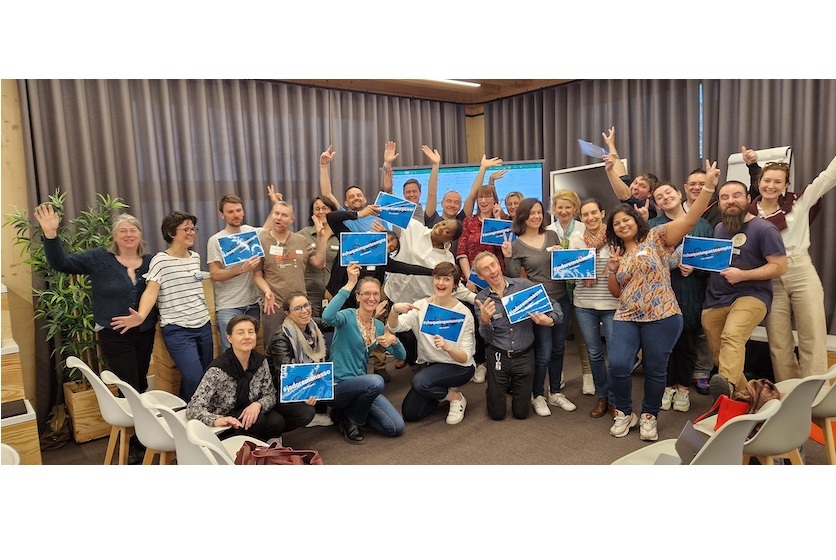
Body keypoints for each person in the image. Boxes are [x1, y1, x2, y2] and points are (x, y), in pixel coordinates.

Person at [604, 161, 716, 441]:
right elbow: (616, 292)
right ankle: (624, 412)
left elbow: (689, 221)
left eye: (626, 220)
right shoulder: (618, 254)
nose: (622, 225)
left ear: (636, 220)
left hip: (662, 315)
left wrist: (708, 188)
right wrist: (612, 270)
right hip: (627, 316)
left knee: (656, 369)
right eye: (617, 223)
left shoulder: (656, 237)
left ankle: (649, 416)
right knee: (618, 365)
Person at [35, 206, 157, 393]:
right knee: (129, 386)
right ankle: (131, 411)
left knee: (141, 381)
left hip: (145, 332)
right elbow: (62, 263)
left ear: (140, 234)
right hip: (114, 333)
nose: (128, 235)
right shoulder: (99, 258)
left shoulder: (151, 261)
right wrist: (50, 234)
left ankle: (136, 412)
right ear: (114, 236)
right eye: (123, 231)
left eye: (133, 230)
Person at [742, 147, 836, 382]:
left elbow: (828, 177)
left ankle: (814, 393)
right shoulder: (749, 213)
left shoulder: (799, 202)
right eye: (767, 181)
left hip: (800, 270)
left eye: (778, 182)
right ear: (759, 182)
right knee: (778, 341)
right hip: (769, 277)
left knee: (812, 334)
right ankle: (788, 392)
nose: (771, 186)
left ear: (786, 185)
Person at [111, 211, 213, 400]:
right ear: (171, 233)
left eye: (193, 229)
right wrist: (141, 315)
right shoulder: (160, 260)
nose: (191, 233)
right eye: (186, 229)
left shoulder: (195, 257)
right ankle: (193, 412)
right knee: (194, 377)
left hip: (203, 325)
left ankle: (186, 409)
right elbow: (151, 291)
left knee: (205, 376)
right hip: (178, 329)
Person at [701, 178, 788, 398]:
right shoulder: (719, 229)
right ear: (719, 203)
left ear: (748, 199)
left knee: (732, 336)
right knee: (722, 357)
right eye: (725, 197)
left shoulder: (764, 229)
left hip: (751, 296)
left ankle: (728, 390)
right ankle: (748, 399)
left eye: (736, 195)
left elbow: (779, 267)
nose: (730, 201)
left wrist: (743, 275)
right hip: (715, 299)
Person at [186, 315, 315, 442]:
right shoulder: (217, 369)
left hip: (250, 414)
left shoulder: (260, 361)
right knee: (257, 420)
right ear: (229, 338)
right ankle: (236, 448)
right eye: (240, 333)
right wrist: (217, 420)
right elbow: (193, 407)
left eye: (251, 332)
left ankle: (258, 444)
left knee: (276, 421)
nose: (247, 337)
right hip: (225, 422)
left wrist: (258, 404)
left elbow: (270, 394)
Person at [502, 198, 576, 416]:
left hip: (561, 298)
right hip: (539, 303)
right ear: (523, 216)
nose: (536, 216)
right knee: (543, 352)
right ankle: (538, 395)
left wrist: (561, 254)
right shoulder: (516, 244)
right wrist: (508, 257)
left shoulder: (552, 235)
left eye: (539, 212)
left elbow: (562, 267)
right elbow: (515, 278)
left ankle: (555, 392)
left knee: (559, 348)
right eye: (531, 213)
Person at [322, 264, 406, 444]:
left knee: (395, 427)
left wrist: (394, 341)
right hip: (338, 386)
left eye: (375, 294)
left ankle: (344, 415)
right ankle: (352, 420)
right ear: (358, 296)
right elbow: (327, 316)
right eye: (366, 293)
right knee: (376, 381)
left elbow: (401, 357)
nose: (371, 297)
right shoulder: (346, 316)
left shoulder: (378, 326)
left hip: (363, 387)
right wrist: (350, 283)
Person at [473, 251, 563, 421]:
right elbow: (486, 337)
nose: (492, 271)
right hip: (498, 355)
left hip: (524, 355)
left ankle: (511, 386)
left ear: (499, 265)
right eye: (485, 269)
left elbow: (554, 304)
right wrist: (485, 320)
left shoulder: (524, 285)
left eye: (493, 265)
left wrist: (550, 320)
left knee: (522, 413)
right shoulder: (482, 299)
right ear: (480, 276)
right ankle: (498, 387)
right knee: (497, 414)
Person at [648, 182, 713, 414]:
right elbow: (647, 261)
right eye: (659, 196)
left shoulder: (702, 225)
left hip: (691, 291)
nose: (665, 197)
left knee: (687, 343)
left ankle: (683, 388)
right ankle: (668, 386)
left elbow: (712, 259)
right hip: (661, 293)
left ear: (678, 193)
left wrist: (696, 268)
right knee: (664, 344)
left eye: (668, 192)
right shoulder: (652, 226)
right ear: (656, 204)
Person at [388, 262, 475, 424]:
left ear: (455, 284)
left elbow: (464, 357)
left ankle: (456, 398)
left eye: (447, 279)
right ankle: (442, 391)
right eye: (438, 278)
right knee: (411, 413)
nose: (441, 283)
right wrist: (394, 311)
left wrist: (448, 348)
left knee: (420, 382)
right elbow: (396, 326)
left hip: (459, 367)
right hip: (433, 366)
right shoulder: (421, 306)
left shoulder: (463, 313)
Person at [569, 198, 619, 418]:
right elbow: (571, 276)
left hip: (611, 303)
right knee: (594, 353)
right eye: (585, 214)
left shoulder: (615, 238)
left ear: (602, 213)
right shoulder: (576, 240)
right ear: (581, 218)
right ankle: (602, 396)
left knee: (615, 355)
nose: (590, 218)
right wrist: (564, 265)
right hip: (584, 304)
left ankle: (616, 399)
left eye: (593, 213)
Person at [252, 200, 327, 346]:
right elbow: (257, 275)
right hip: (274, 306)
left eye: (284, 215)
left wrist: (321, 236)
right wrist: (267, 292)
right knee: (275, 347)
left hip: (299, 306)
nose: (279, 218)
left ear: (292, 220)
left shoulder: (300, 240)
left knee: (301, 346)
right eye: (276, 213)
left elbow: (319, 262)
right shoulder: (260, 242)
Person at [207, 193, 270, 351]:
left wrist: (276, 203)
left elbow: (269, 227)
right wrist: (241, 269)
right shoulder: (215, 240)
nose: (235, 215)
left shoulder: (250, 232)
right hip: (228, 306)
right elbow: (215, 274)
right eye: (230, 212)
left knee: (250, 350)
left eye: (238, 210)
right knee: (231, 352)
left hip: (253, 304)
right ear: (222, 215)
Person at [546, 188, 593, 396]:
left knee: (583, 334)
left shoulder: (585, 228)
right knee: (559, 337)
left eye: (568, 207)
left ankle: (587, 374)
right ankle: (559, 374)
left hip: (582, 288)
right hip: (557, 291)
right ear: (554, 209)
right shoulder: (548, 231)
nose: (563, 211)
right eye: (560, 207)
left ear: (575, 208)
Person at [266, 292, 334, 428]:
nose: (304, 311)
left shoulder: (313, 324)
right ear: (288, 313)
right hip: (282, 387)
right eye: (297, 308)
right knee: (306, 413)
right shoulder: (281, 336)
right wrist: (307, 390)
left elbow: (336, 322)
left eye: (306, 305)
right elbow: (286, 372)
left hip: (308, 376)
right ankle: (280, 428)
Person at [679, 168, 718, 394]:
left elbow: (715, 252)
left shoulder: (717, 212)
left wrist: (698, 266)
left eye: (702, 184)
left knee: (704, 327)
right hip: (676, 280)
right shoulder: (674, 211)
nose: (696, 188)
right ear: (685, 188)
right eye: (692, 184)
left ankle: (702, 372)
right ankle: (676, 372)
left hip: (705, 280)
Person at [319, 145, 386, 232]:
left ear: (365, 200)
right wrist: (323, 166)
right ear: (346, 203)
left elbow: (391, 238)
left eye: (359, 195)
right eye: (351, 197)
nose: (356, 198)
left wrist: (385, 233)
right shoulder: (345, 217)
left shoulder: (378, 216)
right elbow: (326, 194)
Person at [601, 126, 659, 220]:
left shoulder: (648, 207)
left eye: (642, 186)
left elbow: (626, 196)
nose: (635, 187)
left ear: (649, 193)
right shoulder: (627, 187)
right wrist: (610, 144)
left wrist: (609, 171)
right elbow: (618, 166)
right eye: (635, 183)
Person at [298, 196, 340, 318]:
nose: (321, 212)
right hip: (309, 294)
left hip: (335, 295)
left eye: (325, 208)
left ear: (332, 211)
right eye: (317, 209)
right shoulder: (303, 235)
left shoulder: (341, 234)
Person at [381, 140, 425, 221]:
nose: (411, 194)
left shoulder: (426, 215)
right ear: (404, 194)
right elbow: (388, 190)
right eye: (408, 192)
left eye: (414, 191)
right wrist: (387, 163)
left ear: (420, 193)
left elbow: (432, 194)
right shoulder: (397, 212)